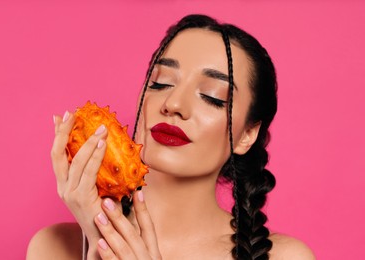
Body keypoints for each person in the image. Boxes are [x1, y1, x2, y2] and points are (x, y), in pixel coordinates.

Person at [27, 14, 315, 259]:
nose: (174, 104)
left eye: (212, 97)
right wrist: (97, 235)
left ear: (247, 135)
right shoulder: (54, 248)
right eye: (160, 82)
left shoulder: (282, 256)